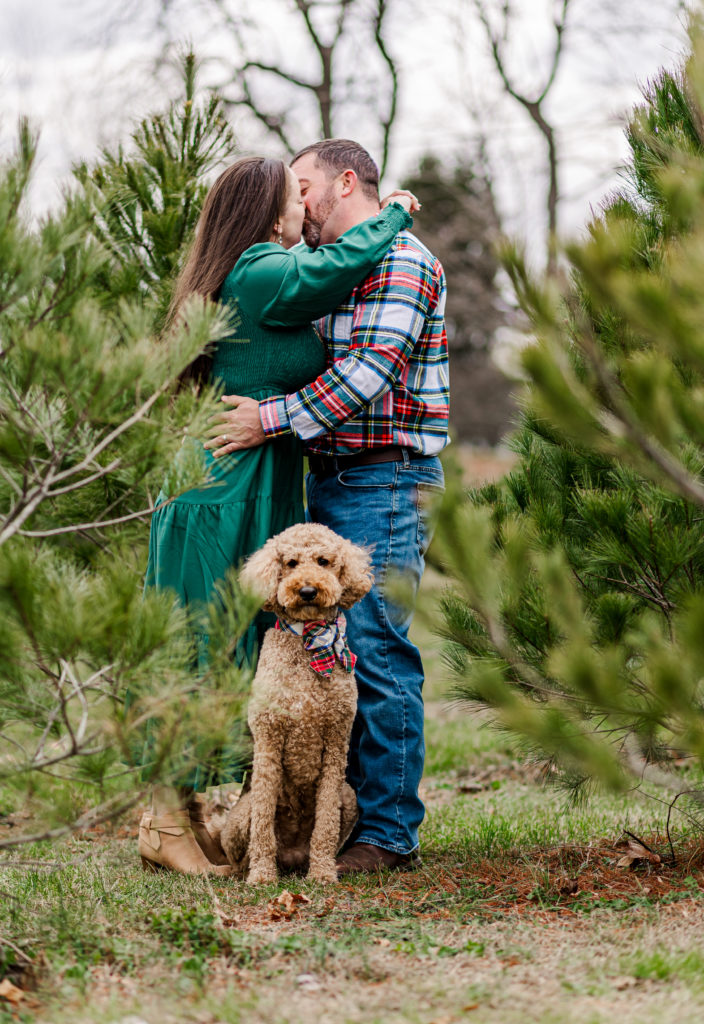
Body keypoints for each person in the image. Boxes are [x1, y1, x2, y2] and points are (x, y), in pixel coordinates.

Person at [137, 155, 417, 875]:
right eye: (292, 192)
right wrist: (394, 212)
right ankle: (164, 824)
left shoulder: (251, 270)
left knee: (226, 649)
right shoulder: (262, 270)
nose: (303, 202)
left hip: (247, 485)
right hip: (220, 492)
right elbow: (332, 273)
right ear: (268, 209)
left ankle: (190, 816)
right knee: (199, 648)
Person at [206, 139, 449, 875]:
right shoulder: (334, 271)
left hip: (387, 475)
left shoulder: (403, 262)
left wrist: (267, 418)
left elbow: (367, 374)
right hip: (334, 476)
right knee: (321, 652)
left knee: (375, 647)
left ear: (346, 182)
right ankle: (316, 824)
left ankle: (387, 834)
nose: (297, 203)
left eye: (303, 186)